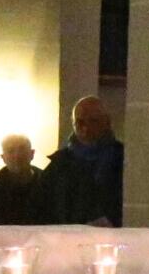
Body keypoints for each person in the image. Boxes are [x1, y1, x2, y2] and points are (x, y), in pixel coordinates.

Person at [41, 96, 124, 226]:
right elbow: (44, 209)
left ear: (107, 122)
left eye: (93, 121)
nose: (86, 128)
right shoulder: (59, 165)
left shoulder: (123, 159)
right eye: (79, 122)